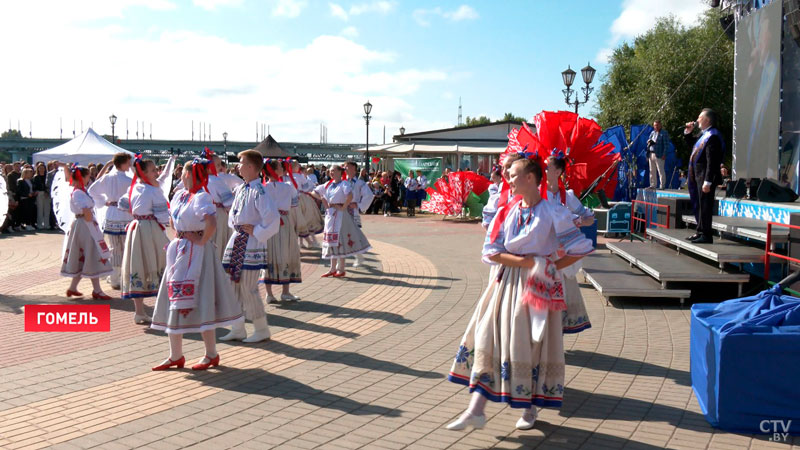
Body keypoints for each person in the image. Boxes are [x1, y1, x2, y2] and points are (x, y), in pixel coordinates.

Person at [446, 157, 593, 432]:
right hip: (507, 282)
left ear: (530, 178)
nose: (509, 180)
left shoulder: (553, 211)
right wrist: (529, 263)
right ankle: (475, 409)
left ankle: (529, 408)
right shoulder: (509, 210)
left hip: (538, 286)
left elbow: (580, 247)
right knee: (488, 335)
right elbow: (491, 251)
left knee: (530, 344)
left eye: (514, 175)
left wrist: (548, 267)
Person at [150, 159, 244, 371]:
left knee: (202, 299)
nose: (182, 175)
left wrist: (201, 241)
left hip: (198, 253)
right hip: (180, 251)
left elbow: (211, 222)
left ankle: (211, 353)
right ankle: (175, 355)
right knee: (174, 297)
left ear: (193, 175)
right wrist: (180, 237)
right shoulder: (180, 195)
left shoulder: (202, 196)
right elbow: (173, 220)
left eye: (184, 172)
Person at [220, 150, 280, 343]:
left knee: (248, 287)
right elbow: (234, 215)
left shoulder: (259, 191)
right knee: (232, 285)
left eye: (241, 163)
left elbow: (273, 219)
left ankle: (261, 329)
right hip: (237, 240)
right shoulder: (242, 189)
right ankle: (237, 328)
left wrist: (256, 231)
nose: (238, 166)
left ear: (252, 167)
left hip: (251, 243)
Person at [544, 154, 595, 334]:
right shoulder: (539, 193)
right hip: (545, 250)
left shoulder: (568, 196)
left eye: (547, 166)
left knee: (563, 292)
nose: (544, 168)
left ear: (558, 171)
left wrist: (577, 221)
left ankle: (555, 339)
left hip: (563, 254)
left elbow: (589, 218)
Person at [119, 156, 170, 324]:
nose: (157, 172)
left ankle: (140, 311)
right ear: (145, 173)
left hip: (136, 228)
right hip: (150, 228)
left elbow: (124, 205)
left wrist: (137, 217)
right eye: (154, 170)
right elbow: (163, 216)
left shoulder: (134, 187)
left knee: (138, 264)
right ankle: (161, 311)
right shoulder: (153, 190)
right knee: (159, 262)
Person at [57, 163, 113, 300]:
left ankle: (74, 288)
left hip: (84, 224)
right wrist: (92, 223)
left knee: (86, 255)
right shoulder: (78, 193)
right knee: (91, 253)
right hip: (85, 225)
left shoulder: (81, 191)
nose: (89, 178)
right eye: (88, 176)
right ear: (82, 177)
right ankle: (97, 290)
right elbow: (86, 212)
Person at [311, 165, 371, 277]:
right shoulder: (328, 184)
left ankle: (341, 268)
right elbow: (314, 192)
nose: (331, 173)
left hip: (340, 215)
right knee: (330, 241)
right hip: (330, 215)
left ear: (340, 172)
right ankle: (332, 268)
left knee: (340, 240)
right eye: (330, 171)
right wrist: (323, 198)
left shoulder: (344, 183)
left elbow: (350, 195)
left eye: (334, 171)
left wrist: (343, 207)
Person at [87, 153, 133, 290]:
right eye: (128, 162)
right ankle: (125, 278)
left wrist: (104, 202)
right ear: (122, 163)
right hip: (125, 215)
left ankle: (114, 278)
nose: (130, 165)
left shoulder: (108, 178)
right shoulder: (130, 181)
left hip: (112, 213)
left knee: (114, 248)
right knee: (126, 248)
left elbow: (92, 190)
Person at [260, 159, 303, 303]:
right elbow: (295, 204)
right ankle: (285, 292)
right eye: (280, 167)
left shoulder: (262, 188)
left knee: (268, 255)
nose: (283, 168)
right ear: (276, 171)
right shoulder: (288, 186)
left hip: (267, 224)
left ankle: (269, 294)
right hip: (284, 223)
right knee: (286, 253)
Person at [684, 108, 725, 244]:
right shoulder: (704, 134)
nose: (697, 120)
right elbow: (693, 146)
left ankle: (706, 234)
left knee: (706, 206)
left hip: (705, 177)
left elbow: (712, 160)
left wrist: (708, 181)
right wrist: (688, 133)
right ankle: (700, 231)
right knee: (699, 204)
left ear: (707, 120)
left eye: (699, 118)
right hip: (698, 176)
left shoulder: (713, 136)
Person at [344, 162, 374, 267]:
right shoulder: (342, 181)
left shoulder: (360, 183)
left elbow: (369, 195)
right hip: (341, 210)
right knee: (342, 234)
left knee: (353, 233)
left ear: (354, 169)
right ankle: (340, 261)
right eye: (345, 167)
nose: (345, 168)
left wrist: (358, 205)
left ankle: (358, 256)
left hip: (352, 211)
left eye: (348, 167)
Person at [296, 162, 323, 248]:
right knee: (308, 220)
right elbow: (308, 187)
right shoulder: (303, 178)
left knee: (302, 221)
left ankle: (303, 242)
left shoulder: (294, 177)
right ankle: (311, 242)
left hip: (300, 199)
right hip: (304, 199)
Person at [647, 120, 669, 189]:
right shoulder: (652, 133)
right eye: (654, 125)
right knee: (652, 170)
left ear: (660, 125)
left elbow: (666, 145)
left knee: (660, 170)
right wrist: (649, 142)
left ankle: (662, 185)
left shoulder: (664, 133)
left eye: (657, 125)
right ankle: (653, 185)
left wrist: (664, 154)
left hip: (659, 154)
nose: (655, 127)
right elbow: (648, 140)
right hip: (651, 153)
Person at [32, 164, 50, 229]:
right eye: (40, 168)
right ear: (38, 169)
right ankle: (39, 225)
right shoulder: (36, 177)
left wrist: (47, 192)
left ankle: (46, 224)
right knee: (40, 210)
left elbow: (48, 185)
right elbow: (34, 186)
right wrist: (36, 191)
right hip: (39, 193)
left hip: (47, 194)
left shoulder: (47, 176)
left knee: (47, 210)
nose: (42, 169)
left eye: (43, 168)